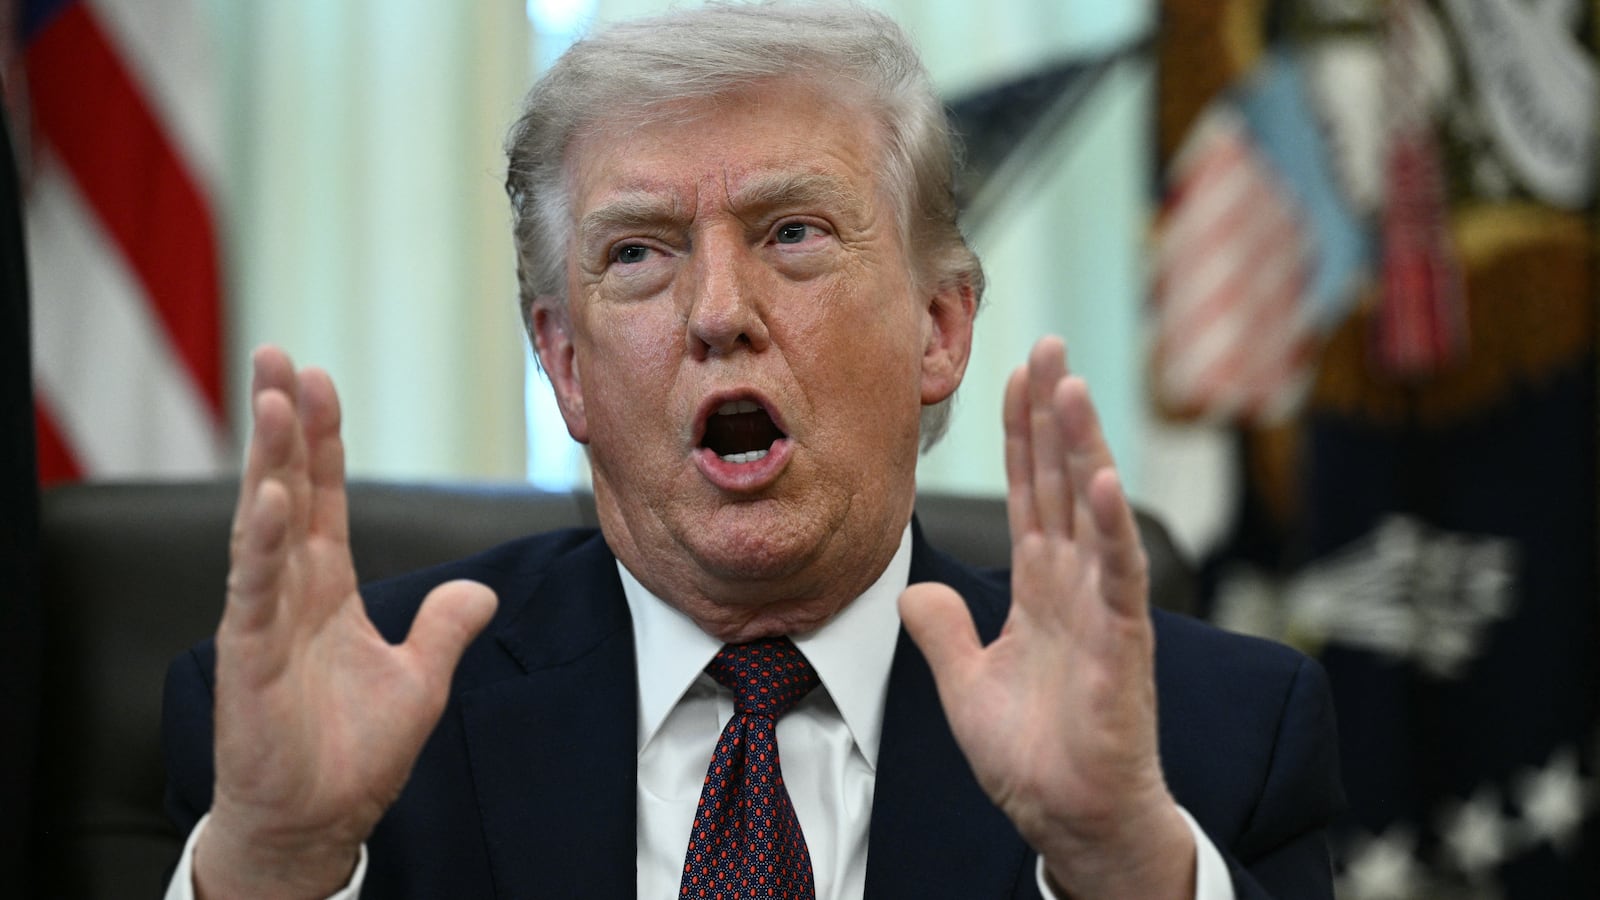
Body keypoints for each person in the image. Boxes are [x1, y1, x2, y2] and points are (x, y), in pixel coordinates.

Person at [161, 2, 1343, 898]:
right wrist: (276, 867)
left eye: (792, 232)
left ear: (938, 330)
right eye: (637, 253)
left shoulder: (1210, 738)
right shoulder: (321, 735)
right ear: (565, 366)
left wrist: (1116, 864)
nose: (718, 308)